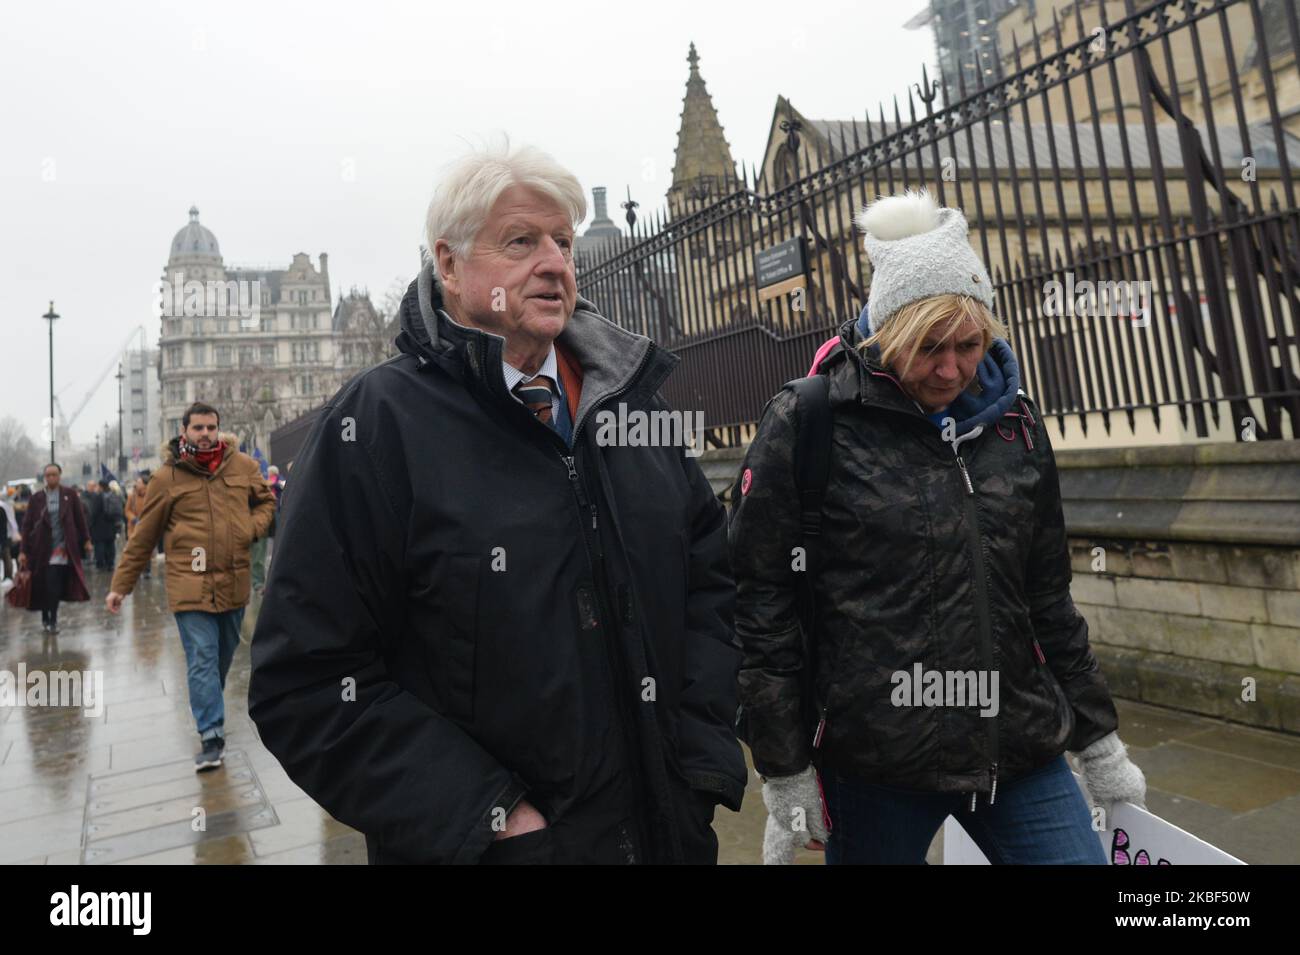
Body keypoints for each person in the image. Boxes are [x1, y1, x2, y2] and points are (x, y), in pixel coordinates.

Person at [248, 141, 746, 865]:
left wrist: (699, 755)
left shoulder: (627, 402)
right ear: (448, 264)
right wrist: (492, 818)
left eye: (564, 242)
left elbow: (709, 580)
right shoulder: (376, 426)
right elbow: (309, 681)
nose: (554, 262)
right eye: (521, 241)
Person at [730, 190, 1145, 865]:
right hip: (872, 767)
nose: (951, 368)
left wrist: (1098, 740)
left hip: (1017, 751)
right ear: (889, 332)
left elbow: (1047, 598)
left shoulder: (1017, 426)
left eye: (969, 345)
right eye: (928, 347)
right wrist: (783, 768)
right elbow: (762, 604)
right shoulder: (811, 421)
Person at [106, 403, 276, 772]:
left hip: (233, 581)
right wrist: (121, 586)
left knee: (222, 657)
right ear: (184, 432)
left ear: (219, 429)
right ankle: (211, 735)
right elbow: (143, 536)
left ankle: (207, 705)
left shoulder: (243, 467)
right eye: (197, 427)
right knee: (201, 657)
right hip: (189, 584)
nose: (205, 433)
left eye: (211, 427)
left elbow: (267, 503)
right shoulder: (167, 478)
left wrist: (250, 529)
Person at [18, 463, 91, 634]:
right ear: (44, 477)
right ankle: (46, 616)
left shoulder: (70, 495)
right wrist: (22, 551)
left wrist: (87, 539)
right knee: (44, 584)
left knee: (55, 585)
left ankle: (53, 620)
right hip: (41, 548)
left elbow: (80, 519)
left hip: (62, 548)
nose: (51, 478)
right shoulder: (36, 498)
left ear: (60, 476)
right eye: (48, 475)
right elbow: (27, 526)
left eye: (54, 474)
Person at [125, 476, 151, 578]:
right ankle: (136, 571)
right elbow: (127, 510)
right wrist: (133, 518)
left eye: (139, 482)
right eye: (137, 482)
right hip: (134, 528)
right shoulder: (132, 496)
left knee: (146, 550)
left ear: (145, 484)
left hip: (147, 527)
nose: (137, 484)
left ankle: (147, 571)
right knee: (135, 550)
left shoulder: (151, 495)